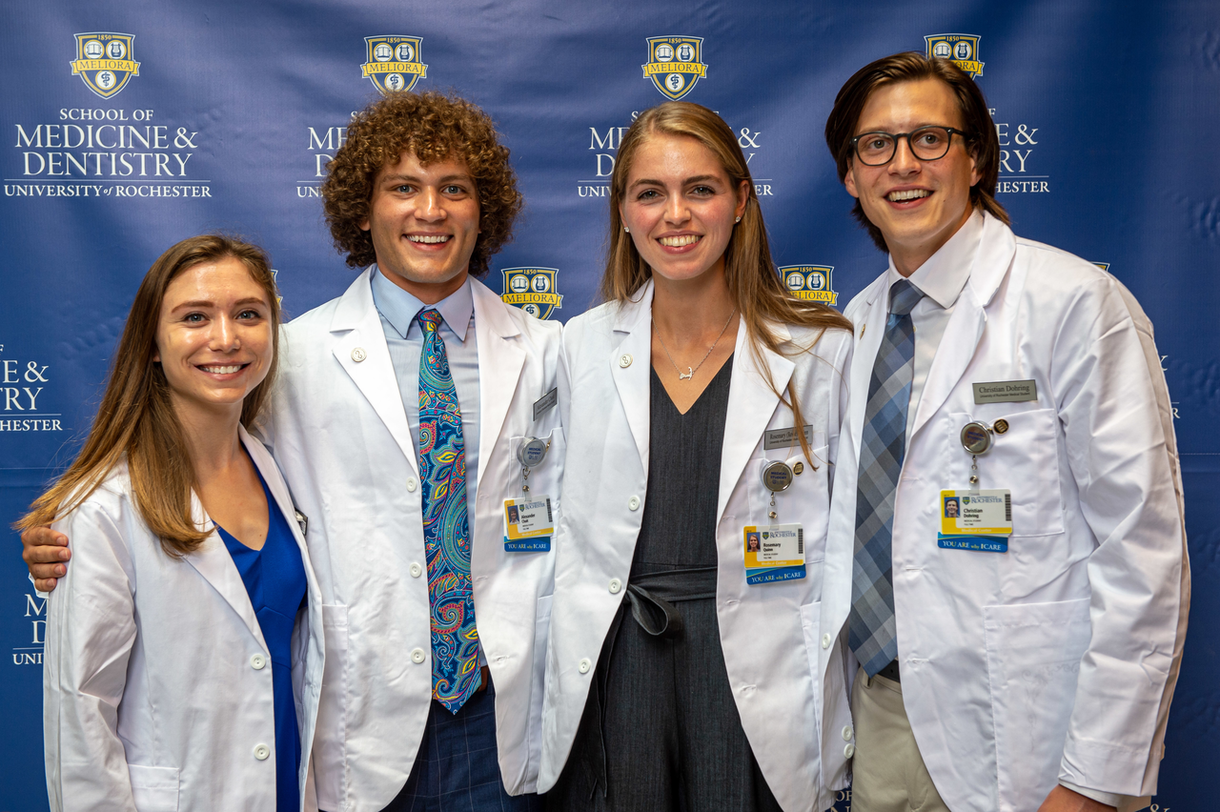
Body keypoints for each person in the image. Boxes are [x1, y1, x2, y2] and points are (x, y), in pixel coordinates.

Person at [23, 91, 564, 812]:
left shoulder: (553, 353)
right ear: (363, 209)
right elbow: (174, 461)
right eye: (403, 187)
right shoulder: (287, 358)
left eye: (453, 189)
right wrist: (63, 533)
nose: (429, 210)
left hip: (507, 715)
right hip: (356, 725)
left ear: (482, 208)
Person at [821, 52, 1189, 812]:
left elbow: (1143, 556)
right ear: (850, 176)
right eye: (875, 146)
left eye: (930, 138)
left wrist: (1093, 780)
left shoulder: (1075, 304)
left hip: (1033, 734)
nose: (903, 165)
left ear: (978, 155)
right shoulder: (852, 327)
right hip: (882, 717)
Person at [539, 102, 854, 812]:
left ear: (741, 201)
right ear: (622, 212)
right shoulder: (578, 348)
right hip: (622, 667)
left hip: (756, 657)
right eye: (650, 193)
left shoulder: (820, 349)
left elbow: (849, 545)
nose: (675, 214)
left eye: (700, 189)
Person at [21, 235, 325, 811]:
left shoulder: (275, 465)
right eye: (194, 317)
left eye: (248, 315)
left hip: (290, 788)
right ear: (153, 345)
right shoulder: (104, 504)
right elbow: (79, 716)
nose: (226, 338)